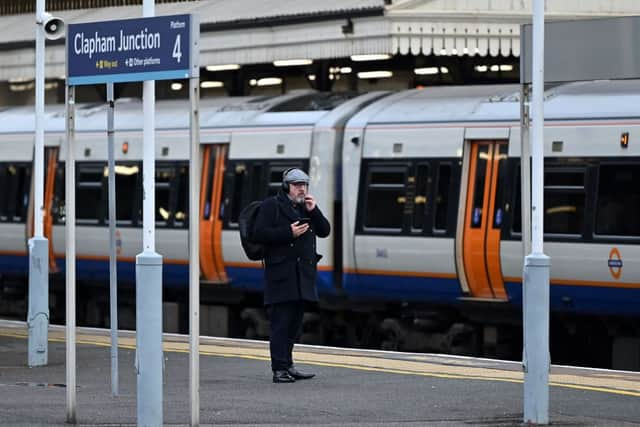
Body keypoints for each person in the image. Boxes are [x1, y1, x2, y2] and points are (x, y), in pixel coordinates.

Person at [253, 167, 331, 383]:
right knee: (280, 323)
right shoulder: (272, 205)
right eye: (297, 185)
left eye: (304, 185)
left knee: (295, 324)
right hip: (281, 274)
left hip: (302, 276)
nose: (302, 189)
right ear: (287, 186)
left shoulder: (306, 208)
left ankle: (288, 365)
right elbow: (259, 233)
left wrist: (314, 210)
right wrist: (288, 232)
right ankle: (279, 369)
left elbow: (325, 230)